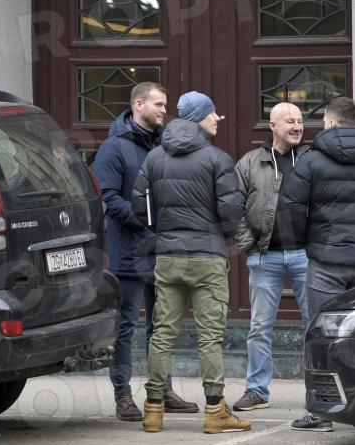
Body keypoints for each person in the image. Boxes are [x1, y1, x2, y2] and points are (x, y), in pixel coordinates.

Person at [279, 96, 355, 432]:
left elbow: (290, 208)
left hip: (325, 262)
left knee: (321, 336)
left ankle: (322, 412)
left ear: (331, 122)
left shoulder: (311, 161)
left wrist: (302, 245)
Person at [133, 91, 250, 434]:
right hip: (207, 257)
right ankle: (215, 412)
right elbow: (231, 213)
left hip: (168, 256)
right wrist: (221, 233)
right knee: (209, 338)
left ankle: (153, 411)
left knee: (162, 334)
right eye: (213, 113)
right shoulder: (217, 158)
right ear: (200, 117)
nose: (218, 119)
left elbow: (140, 206)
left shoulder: (155, 156)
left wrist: (163, 230)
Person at [92, 83, 198, 421]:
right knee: (125, 328)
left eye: (165, 105)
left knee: (161, 326)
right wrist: (145, 221)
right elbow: (108, 198)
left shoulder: (166, 146)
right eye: (159, 104)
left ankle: (162, 391)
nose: (165, 110)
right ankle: (123, 396)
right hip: (128, 254)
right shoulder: (113, 147)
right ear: (139, 105)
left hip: (162, 252)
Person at [232, 102, 311, 412]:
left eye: (300, 121)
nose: (297, 126)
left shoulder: (311, 158)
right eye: (290, 121)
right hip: (266, 257)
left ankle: (318, 389)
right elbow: (234, 207)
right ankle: (256, 390)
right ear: (273, 126)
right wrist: (249, 246)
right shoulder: (250, 162)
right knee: (259, 327)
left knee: (315, 326)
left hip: (307, 255)